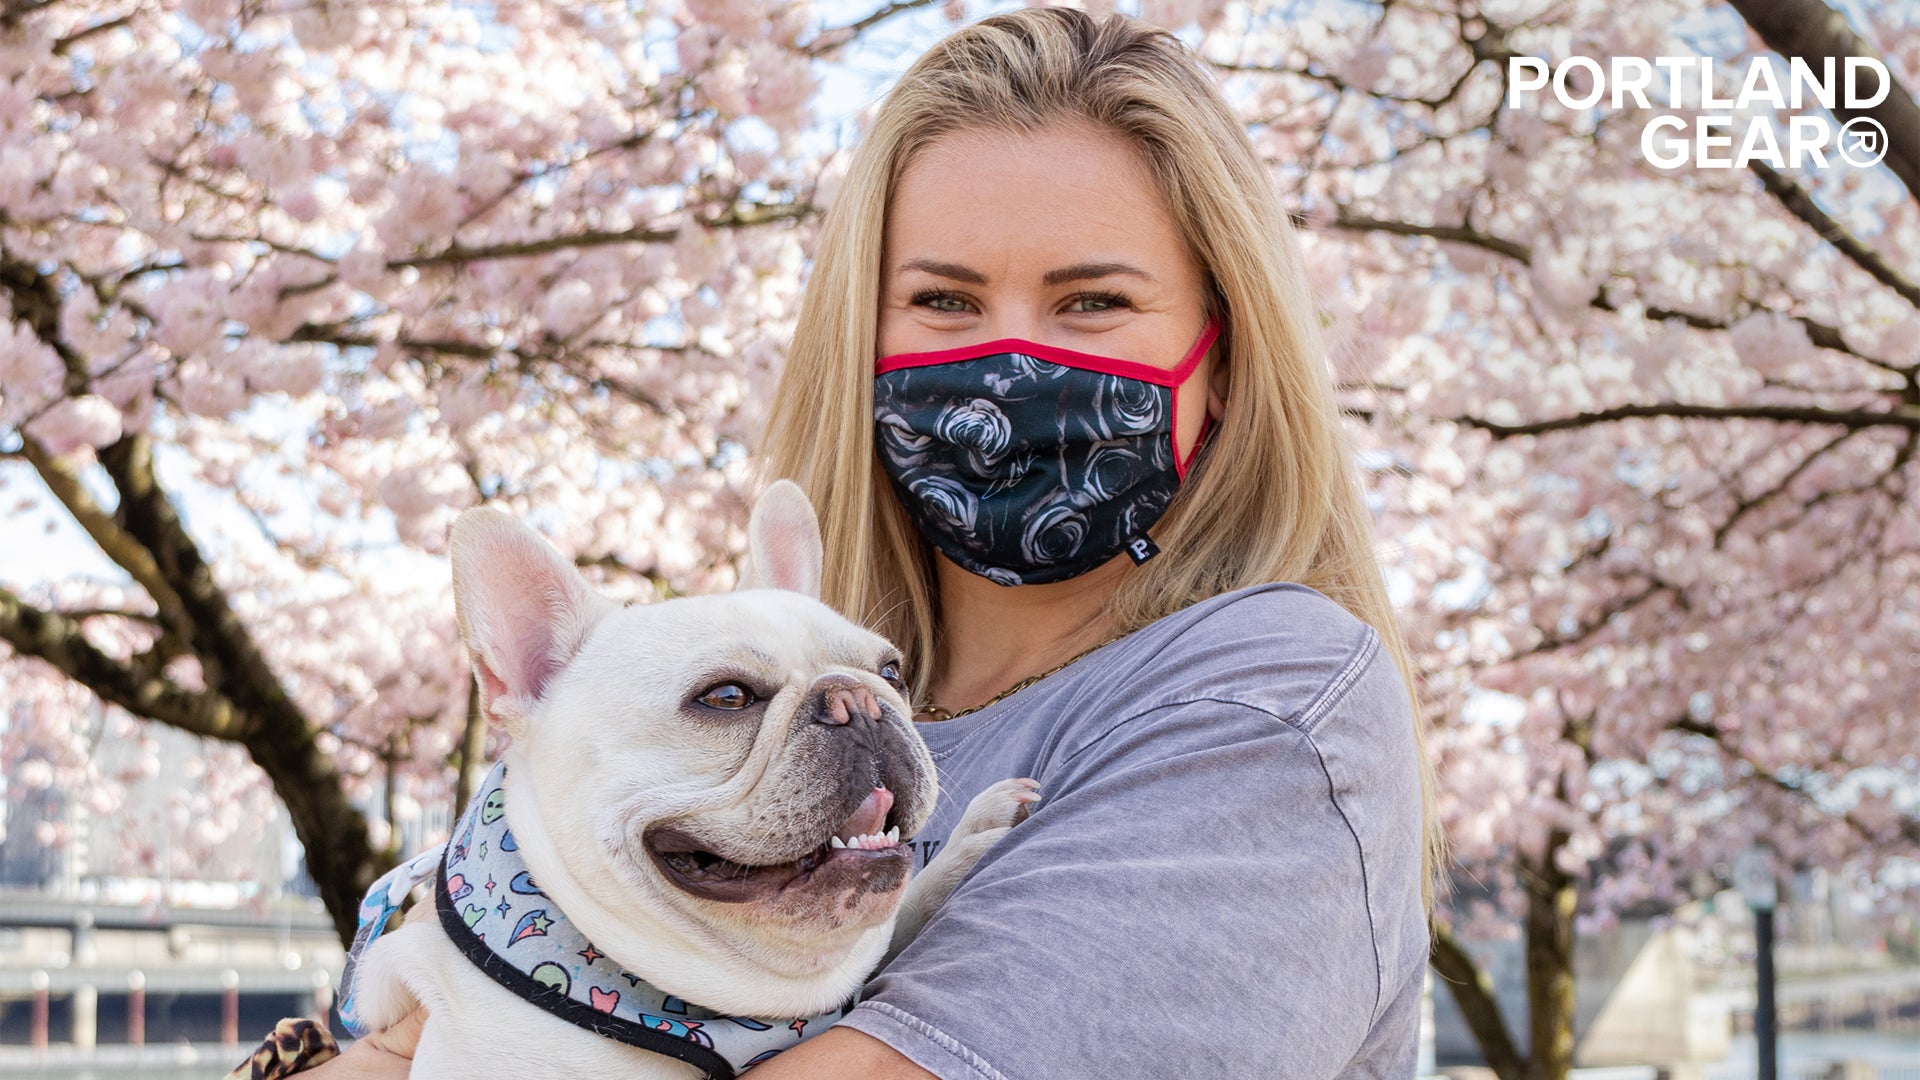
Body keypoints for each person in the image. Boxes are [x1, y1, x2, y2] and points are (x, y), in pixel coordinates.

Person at [271, 8, 1438, 1079]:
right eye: (943, 301)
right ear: (860, 340)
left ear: (1221, 362)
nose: (1008, 360)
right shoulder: (743, 708)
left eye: (1091, 303)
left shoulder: (1258, 703)